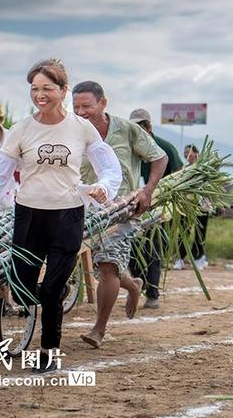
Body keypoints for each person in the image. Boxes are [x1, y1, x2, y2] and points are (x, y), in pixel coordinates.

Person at [0, 59, 122, 373]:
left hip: (68, 216)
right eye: (34, 89)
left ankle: (48, 353)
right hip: (29, 216)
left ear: (63, 90)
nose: (40, 95)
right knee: (23, 286)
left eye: (47, 88)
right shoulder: (21, 129)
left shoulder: (80, 128)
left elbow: (110, 168)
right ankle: (48, 292)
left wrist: (103, 187)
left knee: (51, 291)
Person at [72, 81, 168, 348]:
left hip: (121, 209)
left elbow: (159, 158)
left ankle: (99, 329)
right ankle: (133, 285)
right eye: (76, 106)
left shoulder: (127, 130)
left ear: (103, 104)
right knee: (100, 264)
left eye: (87, 106)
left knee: (107, 266)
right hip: (81, 208)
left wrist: (147, 191)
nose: (80, 112)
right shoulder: (71, 131)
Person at [128, 108, 183, 309]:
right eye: (134, 126)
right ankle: (138, 283)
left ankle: (152, 293)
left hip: (158, 209)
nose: (139, 129)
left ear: (149, 126)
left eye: (141, 125)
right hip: (132, 208)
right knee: (131, 252)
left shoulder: (165, 147)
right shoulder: (129, 148)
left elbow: (178, 174)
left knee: (152, 251)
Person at [174, 145, 210, 270]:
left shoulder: (204, 168)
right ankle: (180, 258)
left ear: (196, 153)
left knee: (200, 233)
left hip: (202, 205)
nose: (186, 155)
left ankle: (199, 258)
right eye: (184, 152)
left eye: (188, 152)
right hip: (186, 206)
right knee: (183, 232)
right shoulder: (184, 170)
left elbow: (210, 187)